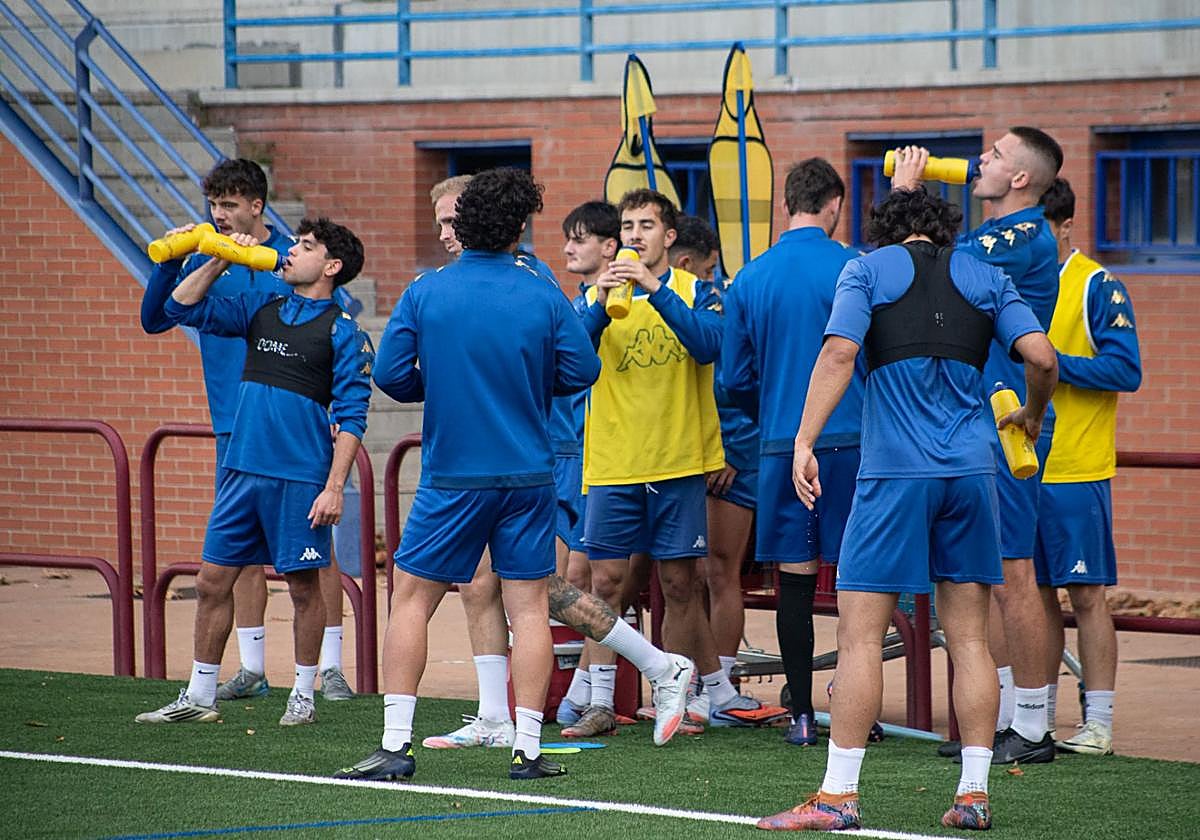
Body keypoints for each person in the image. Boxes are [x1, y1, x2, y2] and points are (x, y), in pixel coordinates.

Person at [758, 185, 1057, 832]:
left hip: (895, 473)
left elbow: (839, 352)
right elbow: (1042, 356)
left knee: (860, 635)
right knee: (972, 637)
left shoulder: (865, 268)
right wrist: (1031, 416)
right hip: (973, 472)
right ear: (945, 231)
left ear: (887, 230)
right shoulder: (986, 273)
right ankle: (974, 793)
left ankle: (838, 797)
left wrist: (804, 440)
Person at [338, 168, 598, 782]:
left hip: (453, 476)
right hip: (528, 475)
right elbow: (580, 369)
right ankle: (527, 751)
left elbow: (392, 376)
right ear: (518, 231)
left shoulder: (428, 290)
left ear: (464, 225)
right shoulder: (541, 291)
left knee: (411, 599)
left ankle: (395, 746)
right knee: (530, 608)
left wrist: (444, 383)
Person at [417, 184, 695, 751]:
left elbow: (577, 366)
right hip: (499, 460)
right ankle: (497, 715)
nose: (445, 232)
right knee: (481, 584)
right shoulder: (464, 284)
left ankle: (656, 668)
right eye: (439, 221)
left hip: (548, 457)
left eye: (451, 220)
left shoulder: (528, 281)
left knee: (545, 587)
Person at [135, 218, 373, 727]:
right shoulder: (260, 309)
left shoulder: (343, 330)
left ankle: (303, 697)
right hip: (240, 470)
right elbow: (179, 307)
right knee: (211, 581)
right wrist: (221, 255)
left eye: (305, 247)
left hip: (300, 479)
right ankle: (200, 698)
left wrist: (334, 487)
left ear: (330, 267)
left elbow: (353, 417)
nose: (290, 251)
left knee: (304, 587)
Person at [894, 129, 1065, 764]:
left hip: (1006, 422)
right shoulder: (999, 233)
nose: (977, 163)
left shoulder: (1021, 236)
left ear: (1020, 179)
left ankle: (1032, 724)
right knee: (983, 576)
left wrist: (907, 200)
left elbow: (932, 267)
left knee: (1014, 573)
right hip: (970, 419)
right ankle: (995, 718)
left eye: (992, 155)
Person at [569, 188, 763, 738]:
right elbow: (573, 362)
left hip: (678, 461)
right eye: (627, 226)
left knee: (680, 585)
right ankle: (599, 703)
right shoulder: (595, 294)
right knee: (603, 584)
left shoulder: (698, 291)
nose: (634, 235)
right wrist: (596, 307)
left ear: (669, 236)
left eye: (646, 225)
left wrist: (655, 291)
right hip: (612, 461)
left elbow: (708, 346)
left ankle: (671, 698)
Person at [720, 159, 863, 747]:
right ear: (833, 205)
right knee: (859, 581)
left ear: (787, 205)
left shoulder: (750, 278)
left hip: (783, 445)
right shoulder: (855, 265)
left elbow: (731, 380)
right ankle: (859, 709)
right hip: (853, 439)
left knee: (795, 583)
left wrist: (775, 421)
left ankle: (802, 715)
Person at [1037, 177, 1141, 756]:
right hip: (1020, 470)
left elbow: (1127, 370)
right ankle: (1034, 719)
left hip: (1076, 470)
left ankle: (1098, 722)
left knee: (1086, 596)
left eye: (1041, 230)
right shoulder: (1012, 283)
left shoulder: (1097, 284)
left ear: (1066, 226)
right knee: (1031, 597)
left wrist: (1054, 363)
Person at [669, 214, 757, 724]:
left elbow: (741, 382)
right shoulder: (664, 299)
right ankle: (699, 683)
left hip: (733, 456)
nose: (715, 277)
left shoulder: (716, 301)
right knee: (686, 578)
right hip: (689, 456)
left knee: (718, 572)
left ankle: (719, 687)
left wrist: (730, 453)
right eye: (710, 268)